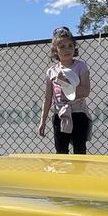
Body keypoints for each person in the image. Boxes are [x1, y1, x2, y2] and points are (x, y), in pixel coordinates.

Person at [36, 26, 91, 154]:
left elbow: (85, 91)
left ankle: (79, 174)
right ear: (55, 50)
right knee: (61, 151)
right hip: (60, 115)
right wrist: (42, 121)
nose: (67, 49)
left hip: (78, 114)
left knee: (80, 150)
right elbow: (48, 98)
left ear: (74, 47)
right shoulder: (51, 71)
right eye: (62, 46)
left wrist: (65, 84)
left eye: (70, 45)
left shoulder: (81, 66)